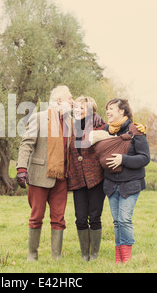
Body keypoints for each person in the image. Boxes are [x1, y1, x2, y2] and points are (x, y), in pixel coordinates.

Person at [16, 85, 73, 261]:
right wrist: (21, 168)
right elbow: (26, 144)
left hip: (61, 178)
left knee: (59, 218)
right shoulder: (39, 118)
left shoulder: (70, 122)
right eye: (69, 98)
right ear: (59, 101)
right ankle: (32, 254)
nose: (72, 101)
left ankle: (57, 256)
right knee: (36, 217)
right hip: (40, 175)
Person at [101, 98, 150, 263]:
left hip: (130, 183)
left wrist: (123, 159)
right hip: (110, 184)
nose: (108, 112)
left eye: (111, 109)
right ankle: (118, 257)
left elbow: (144, 158)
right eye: (107, 109)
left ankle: (127, 258)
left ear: (122, 111)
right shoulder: (106, 131)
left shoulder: (135, 130)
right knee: (116, 222)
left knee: (124, 219)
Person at [67, 96, 106, 261]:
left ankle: (95, 254)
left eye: (82, 108)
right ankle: (84, 254)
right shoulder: (68, 127)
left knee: (94, 216)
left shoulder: (101, 126)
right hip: (77, 178)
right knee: (80, 218)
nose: (78, 110)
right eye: (76, 107)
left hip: (96, 178)